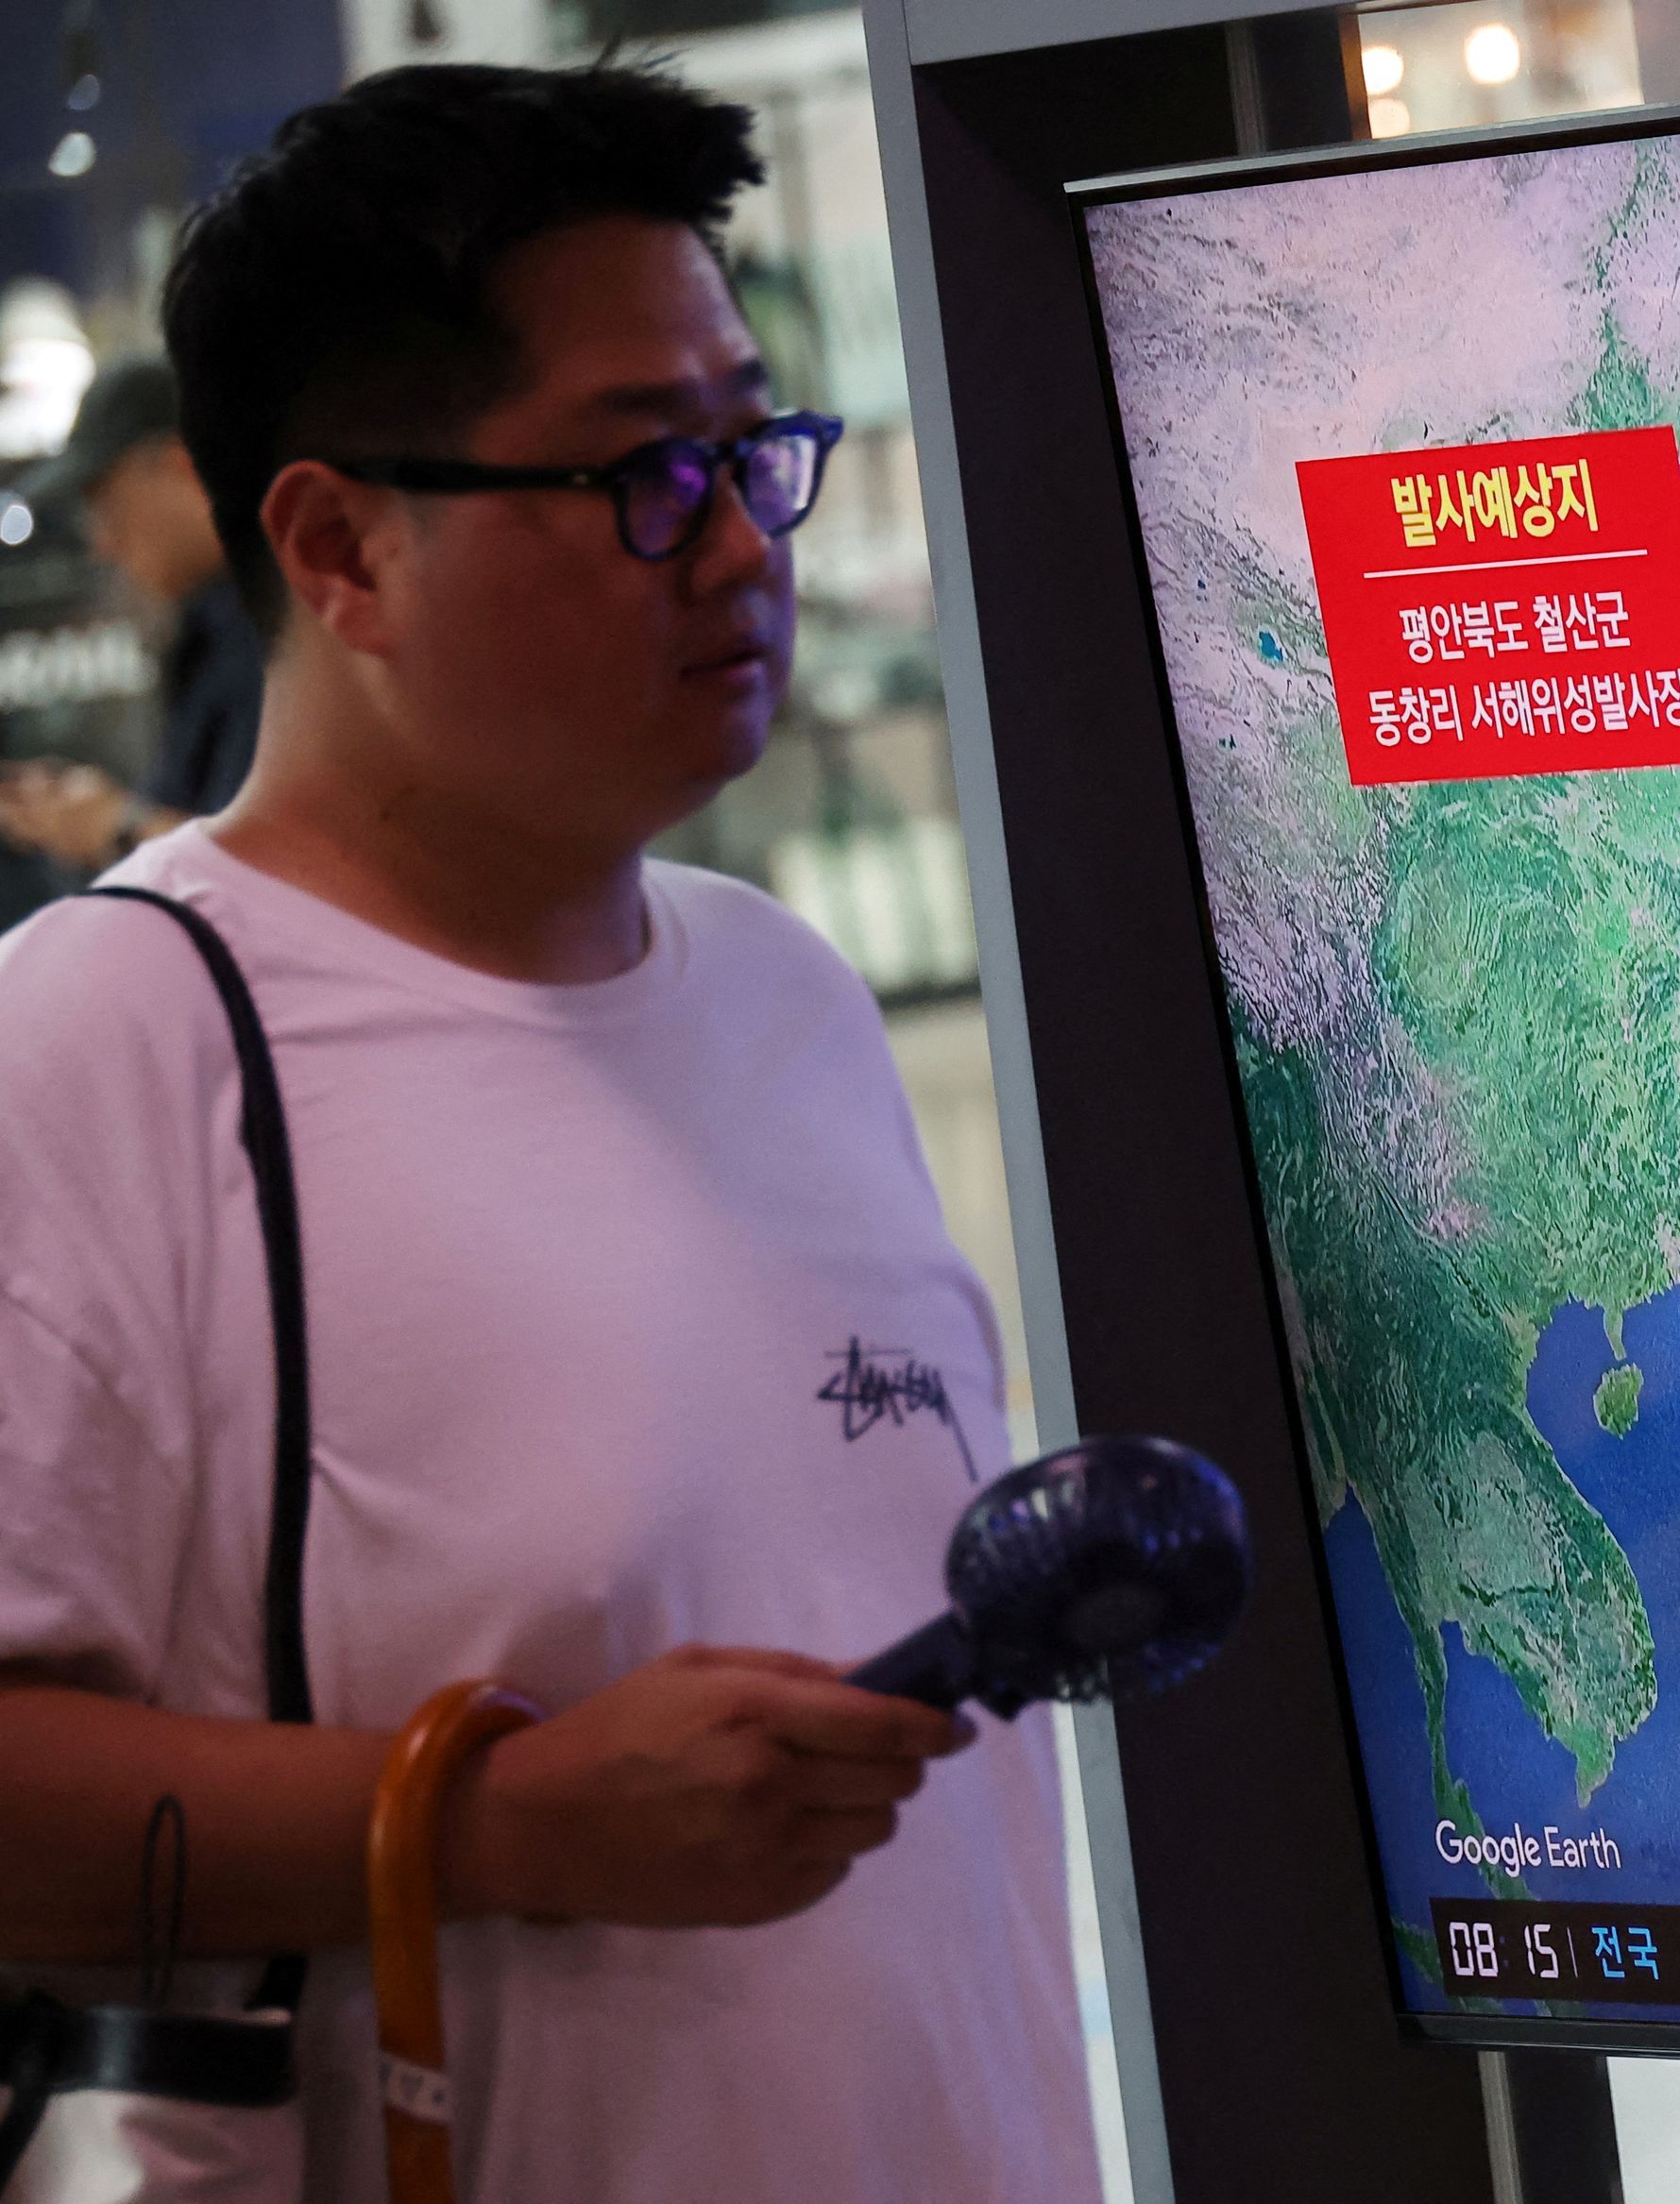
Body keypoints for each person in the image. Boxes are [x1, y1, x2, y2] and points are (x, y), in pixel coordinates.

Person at [0, 63, 1104, 2204]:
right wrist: (493, 1823)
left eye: (752, 448)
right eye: (642, 475)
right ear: (341, 547)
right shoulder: (113, 1043)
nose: (741, 542)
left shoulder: (781, 993)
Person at [0, 355, 266, 869]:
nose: (102, 543)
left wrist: (116, 826)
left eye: (107, 502)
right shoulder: (212, 628)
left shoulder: (285, 631)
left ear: (180, 466)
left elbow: (287, 873)